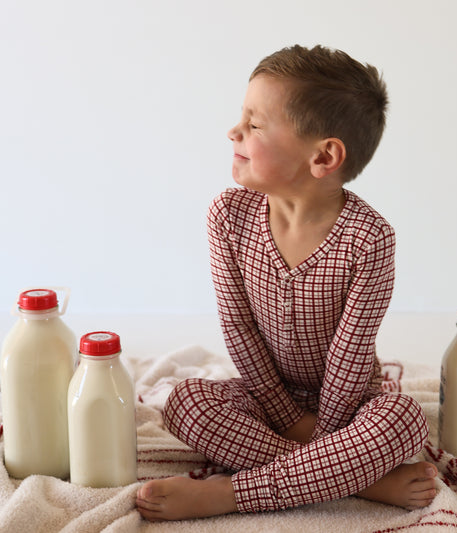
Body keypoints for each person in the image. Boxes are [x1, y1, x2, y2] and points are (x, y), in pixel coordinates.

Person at [136, 44, 437, 521]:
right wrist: (297, 427)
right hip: (266, 396)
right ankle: (365, 482)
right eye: (242, 117)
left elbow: (351, 353)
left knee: (404, 422)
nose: (233, 131)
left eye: (255, 125)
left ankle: (229, 494)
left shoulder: (369, 239)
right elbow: (238, 329)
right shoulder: (229, 216)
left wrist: (327, 430)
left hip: (349, 404)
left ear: (324, 157)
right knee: (185, 402)